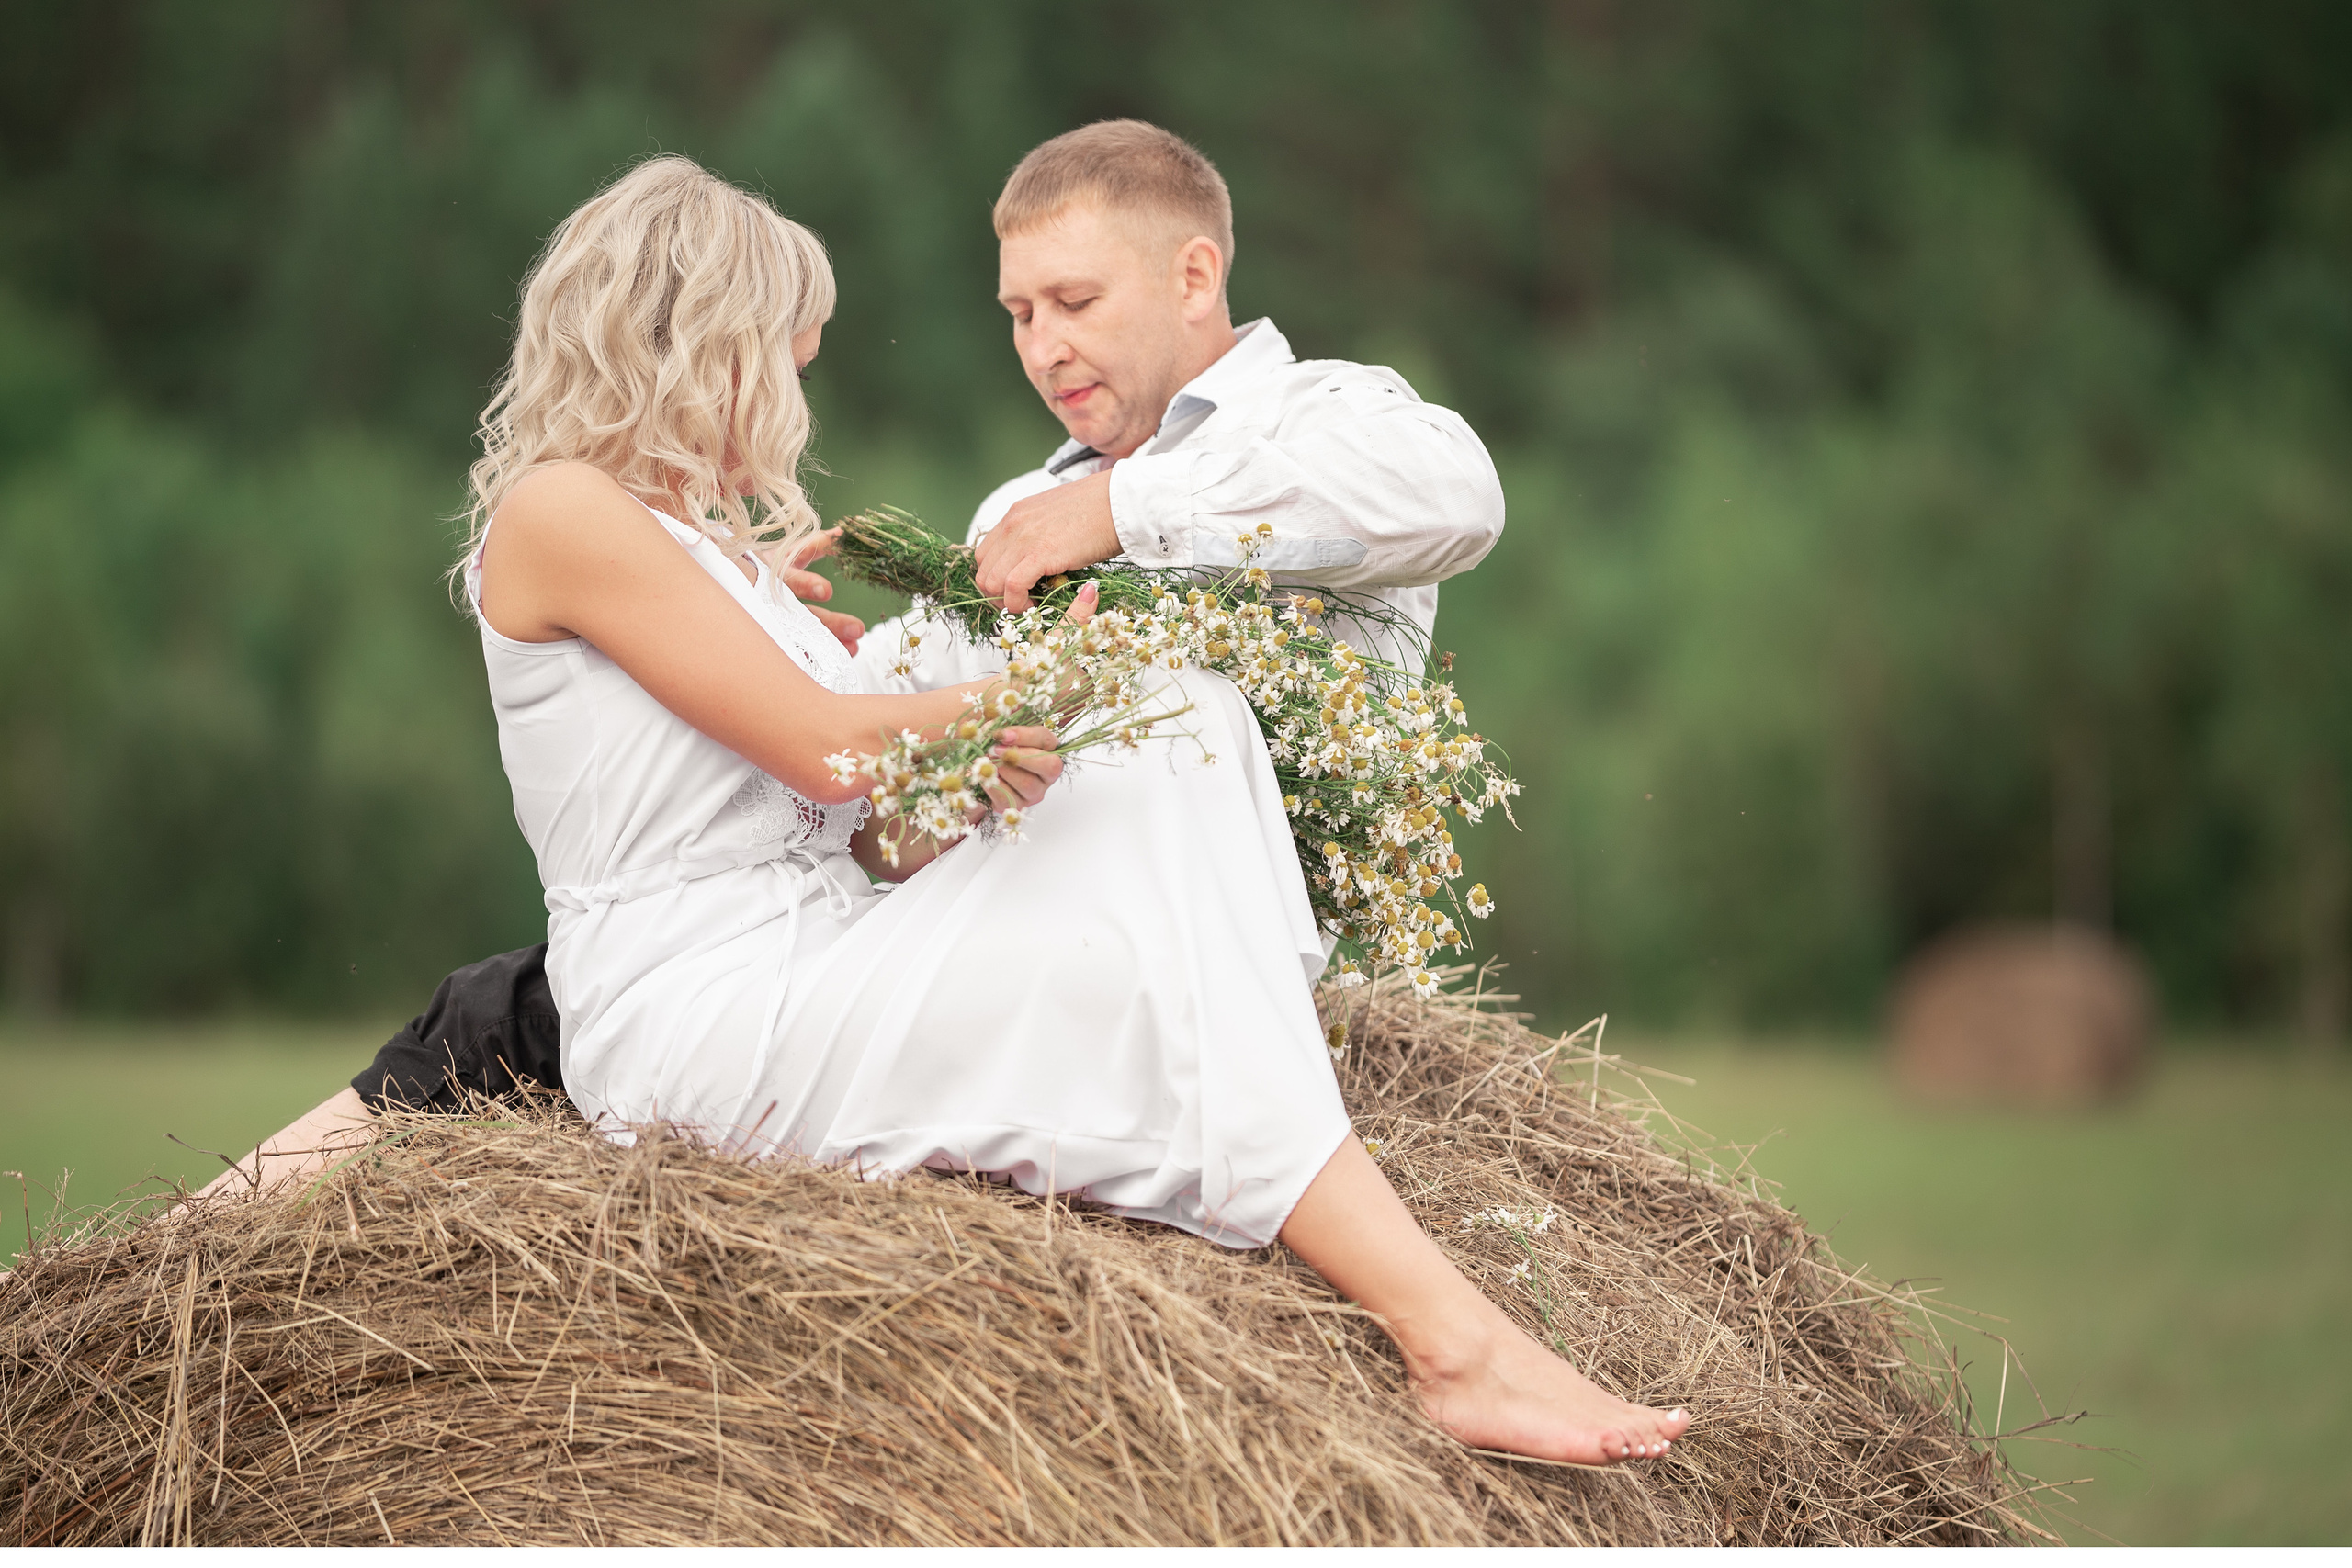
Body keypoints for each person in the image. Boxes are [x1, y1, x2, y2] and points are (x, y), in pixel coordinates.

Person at [198, 144, 1684, 1464]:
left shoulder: (1325, 416)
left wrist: (1031, 656)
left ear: (1194, 273)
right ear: (701, 343)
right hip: (709, 994)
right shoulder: (600, 515)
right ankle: (1445, 1331)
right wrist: (1030, 707)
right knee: (1169, 732)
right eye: (788, 353)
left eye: (1072, 303)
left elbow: (872, 803)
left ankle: (1386, 1266)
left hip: (815, 944)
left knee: (1178, 738)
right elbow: (841, 759)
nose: (794, 391)